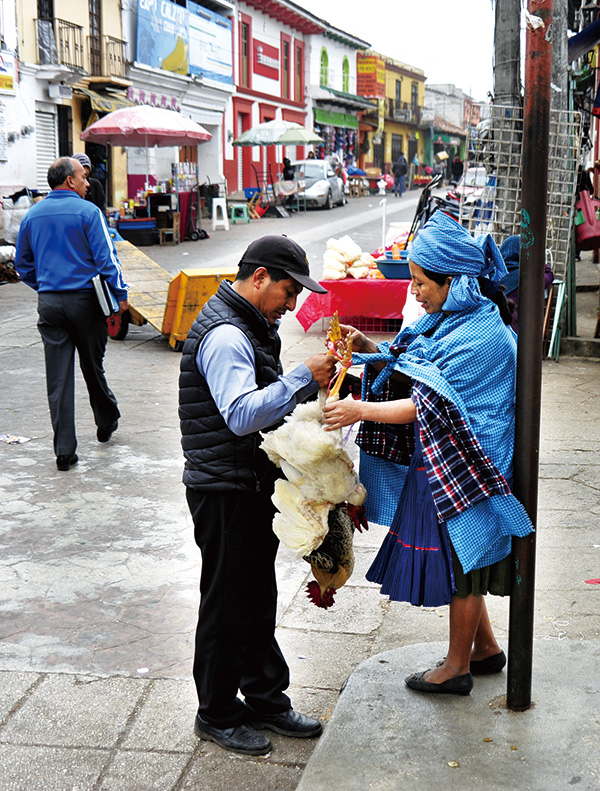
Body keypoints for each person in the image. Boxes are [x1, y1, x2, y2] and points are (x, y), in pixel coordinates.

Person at [323, 211, 534, 697]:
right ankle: (485, 649)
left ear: (452, 281)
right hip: (447, 458)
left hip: (471, 464)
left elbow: (425, 404)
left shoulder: (481, 336)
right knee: (465, 557)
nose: (413, 291)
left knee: (464, 562)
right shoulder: (454, 319)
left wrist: (359, 409)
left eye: (420, 282)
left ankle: (456, 667)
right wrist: (367, 346)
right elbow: (413, 363)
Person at [179, 235, 336, 756]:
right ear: (261, 277)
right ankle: (217, 713)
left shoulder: (251, 322)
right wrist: (301, 378)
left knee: (254, 596)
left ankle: (265, 698)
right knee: (227, 602)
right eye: (289, 292)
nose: (291, 305)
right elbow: (241, 413)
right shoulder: (226, 334)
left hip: (247, 481)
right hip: (223, 487)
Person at [14, 157, 128, 471]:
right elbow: (107, 260)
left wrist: (45, 287)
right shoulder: (88, 212)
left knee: (58, 377)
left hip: (50, 303)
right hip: (86, 301)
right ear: (69, 181)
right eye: (83, 177)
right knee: (93, 365)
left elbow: (22, 264)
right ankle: (106, 419)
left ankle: (64, 451)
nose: (87, 183)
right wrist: (120, 294)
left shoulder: (32, 215)